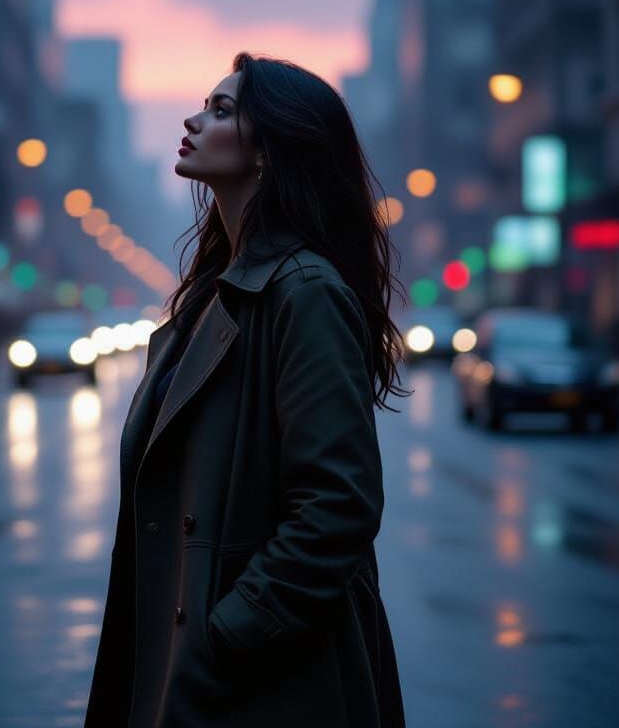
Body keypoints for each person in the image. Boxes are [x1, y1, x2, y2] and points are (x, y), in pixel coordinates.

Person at [85, 53, 408, 728]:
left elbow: (338, 508)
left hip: (265, 685)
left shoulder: (304, 292)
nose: (194, 119)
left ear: (271, 150)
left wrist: (223, 638)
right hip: (194, 670)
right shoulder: (209, 300)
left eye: (223, 110)